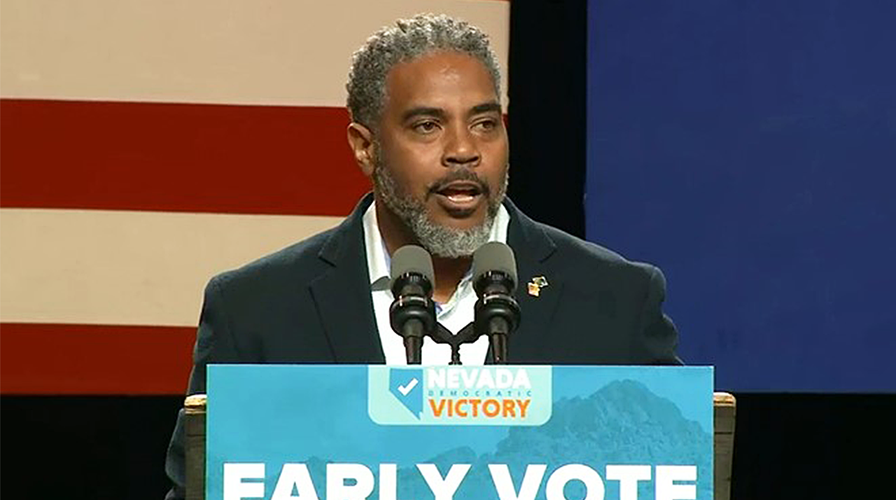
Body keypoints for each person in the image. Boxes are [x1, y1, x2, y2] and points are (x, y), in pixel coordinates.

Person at [163, 14, 681, 499]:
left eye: (484, 123)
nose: (464, 150)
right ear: (365, 147)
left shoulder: (615, 301)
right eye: (428, 126)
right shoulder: (257, 311)